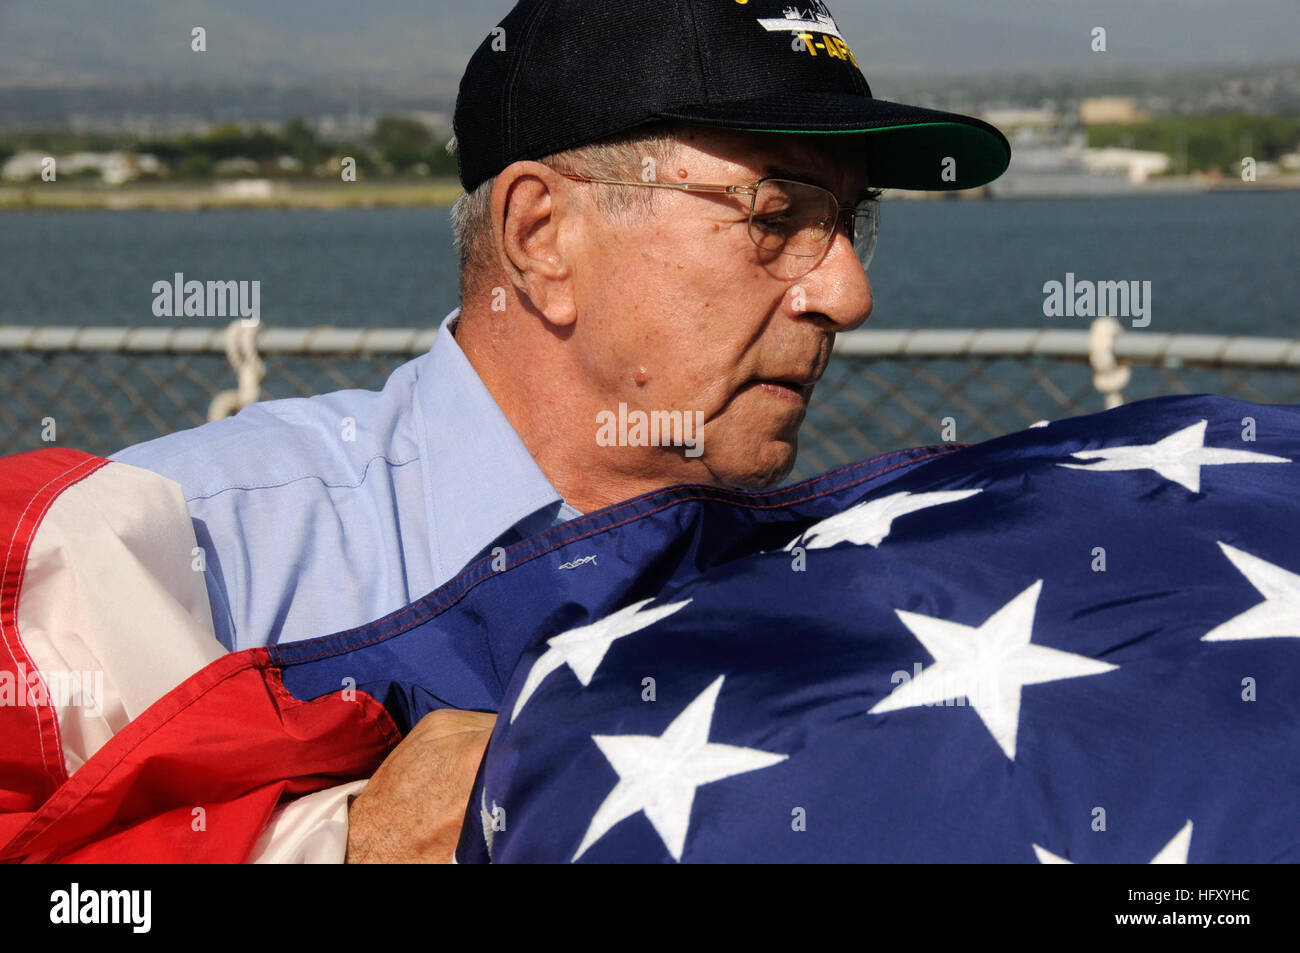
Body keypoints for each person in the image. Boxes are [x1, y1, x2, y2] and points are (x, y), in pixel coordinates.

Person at [111, 0, 1010, 862]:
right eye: (777, 217)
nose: (850, 296)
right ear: (542, 236)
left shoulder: (851, 589)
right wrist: (330, 848)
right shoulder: (176, 551)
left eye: (851, 222)